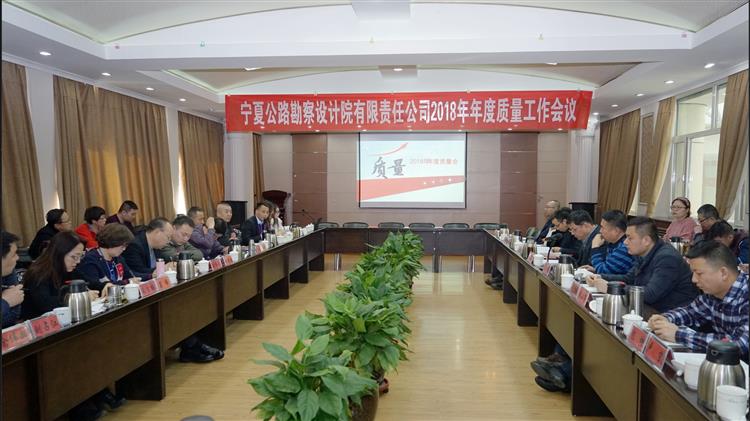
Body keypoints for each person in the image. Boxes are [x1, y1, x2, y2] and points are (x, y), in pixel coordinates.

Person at [532, 210, 634, 393]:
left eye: (603, 227)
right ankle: (559, 363)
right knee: (571, 314)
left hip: (627, 305)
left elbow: (605, 269)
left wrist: (596, 252)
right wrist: (597, 270)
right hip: (610, 293)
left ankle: (562, 372)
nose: (600, 231)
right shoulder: (613, 244)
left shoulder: (620, 247)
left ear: (617, 230)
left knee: (586, 327)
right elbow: (606, 270)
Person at [121, 217, 222, 363]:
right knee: (175, 308)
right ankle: (192, 347)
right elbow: (135, 272)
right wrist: (155, 272)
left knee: (181, 304)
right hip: (139, 296)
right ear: (157, 232)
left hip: (156, 290)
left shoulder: (154, 246)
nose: (168, 241)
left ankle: (192, 346)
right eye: (167, 237)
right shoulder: (135, 245)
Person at [649, 241, 748, 360]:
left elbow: (738, 345)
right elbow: (690, 312)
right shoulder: (712, 293)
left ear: (723, 273)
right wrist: (664, 319)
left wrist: (678, 335)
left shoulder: (746, 294)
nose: (694, 279)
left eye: (699, 273)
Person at [588, 217, 699, 312]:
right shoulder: (644, 252)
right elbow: (629, 278)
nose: (625, 242)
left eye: (630, 238)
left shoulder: (667, 258)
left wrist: (611, 288)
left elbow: (650, 295)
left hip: (671, 315)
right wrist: (600, 277)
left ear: (646, 240)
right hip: (650, 310)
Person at [22, 232, 96, 320]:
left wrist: (106, 285)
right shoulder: (38, 273)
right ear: (60, 253)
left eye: (81, 256)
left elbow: (91, 282)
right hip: (41, 322)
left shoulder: (69, 268)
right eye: (74, 257)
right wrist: (81, 298)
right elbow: (46, 305)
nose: (78, 261)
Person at [75, 224, 137, 293]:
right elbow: (96, 286)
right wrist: (127, 282)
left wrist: (130, 280)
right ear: (113, 242)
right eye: (122, 246)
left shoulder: (118, 258)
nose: (124, 249)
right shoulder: (90, 260)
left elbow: (130, 277)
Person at [578, 210, 635, 275]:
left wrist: (595, 248)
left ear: (616, 231)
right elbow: (607, 269)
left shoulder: (624, 247)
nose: (600, 231)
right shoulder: (612, 243)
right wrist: (595, 269)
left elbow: (603, 271)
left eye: (603, 227)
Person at [2, 231, 24, 328]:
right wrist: (5, 302)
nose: (17, 258)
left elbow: (14, 315)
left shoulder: (9, 271)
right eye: (13, 254)